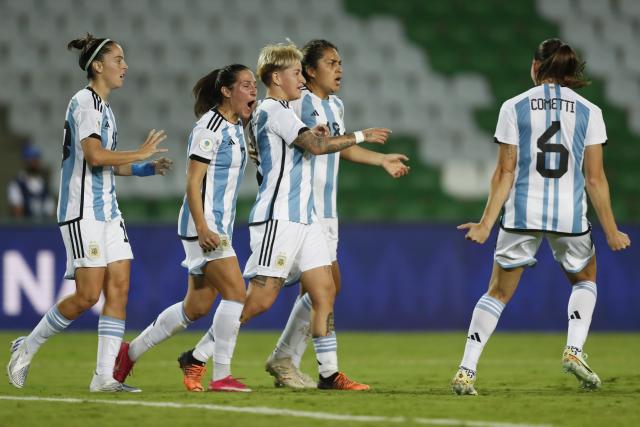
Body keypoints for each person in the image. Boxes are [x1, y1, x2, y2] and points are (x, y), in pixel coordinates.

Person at [179, 42, 390, 391]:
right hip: (278, 218)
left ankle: (329, 372)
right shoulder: (272, 111)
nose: (300, 79)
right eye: (295, 73)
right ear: (277, 77)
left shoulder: (283, 110)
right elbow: (314, 147)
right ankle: (198, 357)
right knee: (260, 300)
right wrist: (361, 135)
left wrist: (319, 133)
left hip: (304, 218)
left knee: (325, 291)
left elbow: (311, 140)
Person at [451, 38, 631, 396]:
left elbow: (505, 171)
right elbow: (595, 178)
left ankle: (466, 371)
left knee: (498, 292)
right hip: (569, 214)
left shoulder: (513, 107)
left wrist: (486, 223)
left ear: (535, 66)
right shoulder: (589, 111)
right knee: (585, 278)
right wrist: (611, 230)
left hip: (522, 211)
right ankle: (574, 350)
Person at [7, 33, 171, 392]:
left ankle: (103, 377)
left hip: (108, 210)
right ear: (98, 65)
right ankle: (27, 345)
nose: (125, 66)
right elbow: (95, 156)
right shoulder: (85, 103)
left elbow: (108, 164)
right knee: (87, 296)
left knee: (120, 286)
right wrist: (139, 153)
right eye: (118, 59)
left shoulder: (105, 108)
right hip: (82, 211)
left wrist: (146, 167)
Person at [261, 39, 410, 389]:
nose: (340, 69)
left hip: (327, 212)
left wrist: (380, 160)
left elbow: (339, 149)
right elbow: (309, 144)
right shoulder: (299, 103)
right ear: (310, 70)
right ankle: (218, 353)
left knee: (324, 288)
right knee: (288, 291)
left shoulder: (336, 105)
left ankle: (286, 359)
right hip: (301, 210)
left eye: (340, 62)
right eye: (331, 63)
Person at [112, 65, 257, 393]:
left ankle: (128, 353)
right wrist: (204, 226)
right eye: (246, 85)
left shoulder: (235, 127)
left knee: (197, 307)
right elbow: (192, 182)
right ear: (226, 91)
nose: (253, 91)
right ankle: (221, 376)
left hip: (218, 225)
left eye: (254, 86)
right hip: (203, 225)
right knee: (236, 294)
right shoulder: (210, 127)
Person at [7, 142, 56, 220]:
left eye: (36, 159)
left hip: (43, 229)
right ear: (25, 161)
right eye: (31, 159)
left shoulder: (44, 184)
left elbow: (50, 211)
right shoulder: (17, 183)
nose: (34, 162)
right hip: (25, 229)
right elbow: (17, 212)